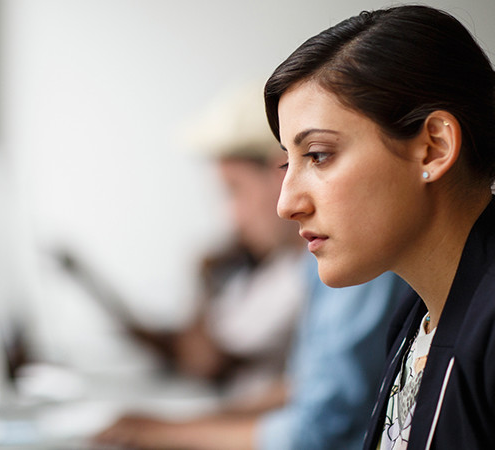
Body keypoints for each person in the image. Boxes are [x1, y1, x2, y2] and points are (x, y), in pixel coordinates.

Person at [94, 80, 408, 449]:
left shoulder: (357, 264)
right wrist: (195, 422)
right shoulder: (310, 267)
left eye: (235, 190)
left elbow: (321, 428)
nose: (232, 220)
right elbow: (310, 387)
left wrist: (169, 433)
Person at [263, 5, 495, 449]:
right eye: (285, 163)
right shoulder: (417, 319)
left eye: (318, 155)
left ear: (432, 148)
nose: (286, 204)